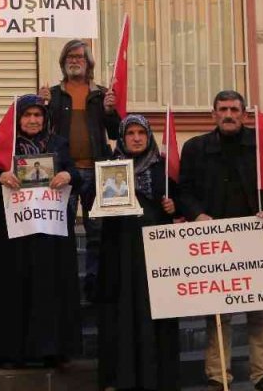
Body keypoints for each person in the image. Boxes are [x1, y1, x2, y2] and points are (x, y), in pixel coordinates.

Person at [174, 90, 263, 391]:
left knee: (261, 313)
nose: (229, 114)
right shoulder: (195, 148)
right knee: (216, 313)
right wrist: (197, 213)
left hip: (258, 243)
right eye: (223, 109)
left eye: (235, 109)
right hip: (215, 244)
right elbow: (183, 190)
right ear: (213, 114)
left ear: (244, 114)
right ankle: (217, 376)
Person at [0, 94, 80, 367]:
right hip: (13, 234)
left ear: (45, 118)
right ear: (17, 119)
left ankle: (51, 350)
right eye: (27, 115)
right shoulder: (3, 145)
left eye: (37, 115)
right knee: (12, 288)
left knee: (50, 288)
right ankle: (11, 351)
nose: (32, 120)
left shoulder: (58, 144)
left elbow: (76, 172)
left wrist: (68, 175)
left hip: (49, 232)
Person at [98, 114, 180, 391]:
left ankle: (158, 380)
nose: (135, 138)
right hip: (120, 252)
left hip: (157, 252)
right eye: (130, 133)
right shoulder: (110, 167)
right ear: (122, 138)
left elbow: (183, 199)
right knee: (123, 313)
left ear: (148, 137)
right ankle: (122, 379)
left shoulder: (162, 168)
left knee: (157, 314)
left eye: (140, 133)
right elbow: (93, 203)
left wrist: (174, 206)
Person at [38, 39, 121, 301]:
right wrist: (42, 106)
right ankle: (65, 287)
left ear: (89, 64)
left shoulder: (101, 94)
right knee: (62, 232)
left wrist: (110, 111)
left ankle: (93, 286)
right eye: (69, 57)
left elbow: (116, 132)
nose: (74, 61)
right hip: (64, 174)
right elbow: (40, 130)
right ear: (63, 63)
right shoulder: (52, 94)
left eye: (80, 57)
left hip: (98, 173)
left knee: (97, 233)